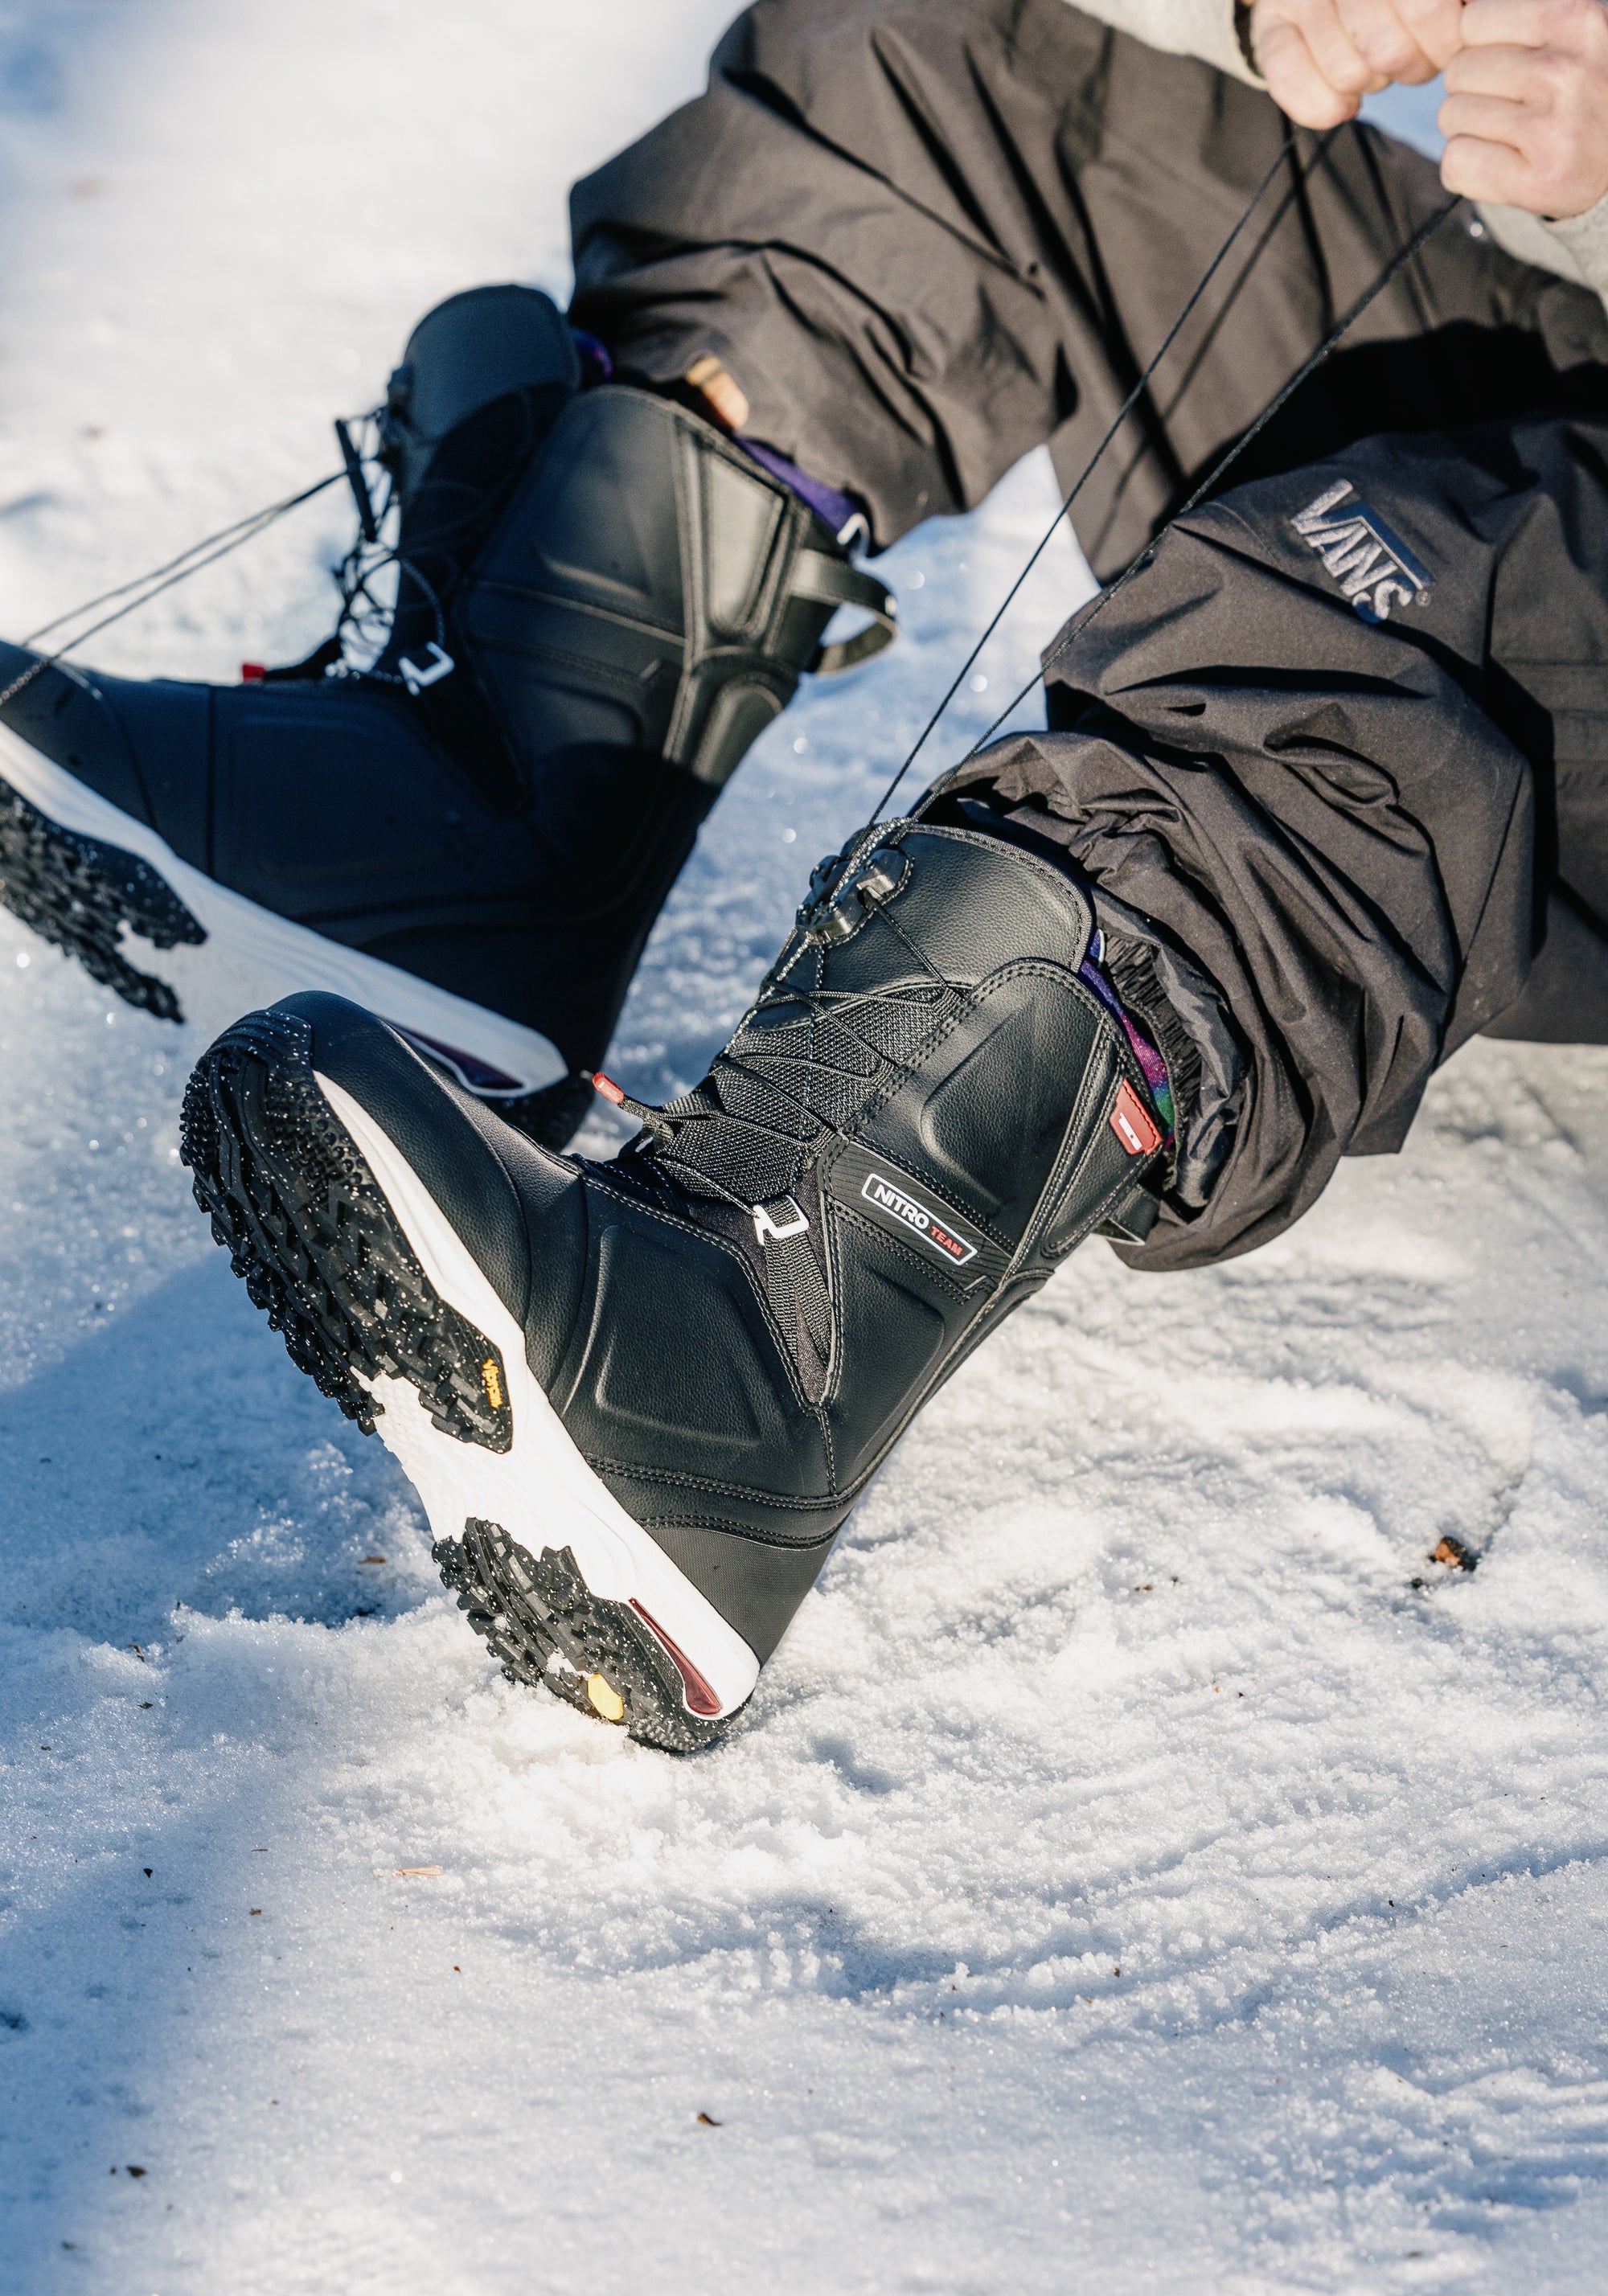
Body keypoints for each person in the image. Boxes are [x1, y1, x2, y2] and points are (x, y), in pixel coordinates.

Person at [12, 0, 1608, 1747]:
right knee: (938, 48)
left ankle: (747, 1364)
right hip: (1528, 290)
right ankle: (489, 814)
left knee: (1350, 607)